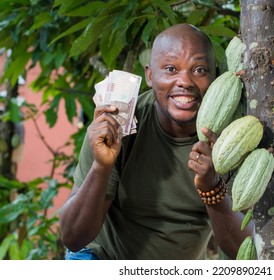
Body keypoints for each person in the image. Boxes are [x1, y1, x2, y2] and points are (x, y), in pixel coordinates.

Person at [59, 23, 254, 260]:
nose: (185, 81)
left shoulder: (231, 139)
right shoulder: (118, 125)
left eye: (199, 70)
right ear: (150, 76)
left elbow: (243, 250)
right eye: (171, 69)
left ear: (214, 76)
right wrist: (102, 167)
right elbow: (73, 237)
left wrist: (212, 187)